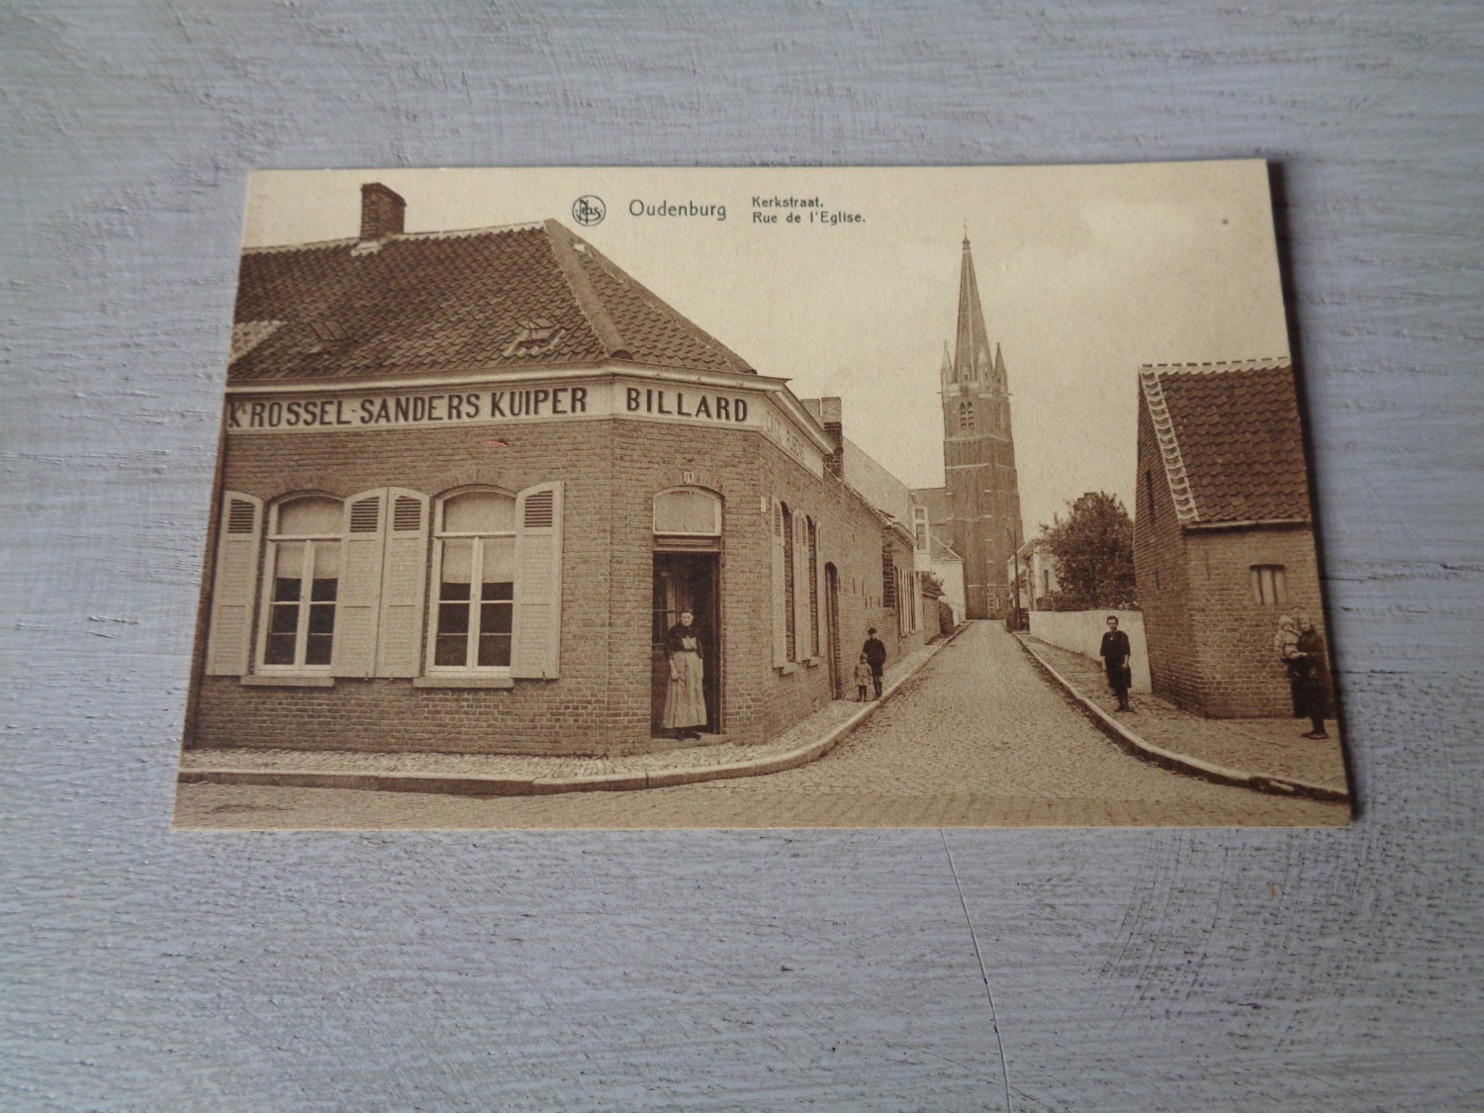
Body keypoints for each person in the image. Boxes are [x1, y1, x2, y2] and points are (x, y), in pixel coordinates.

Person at [661, 609, 707, 740]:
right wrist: (673, 669)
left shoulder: (696, 631)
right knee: (679, 695)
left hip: (693, 663)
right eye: (683, 617)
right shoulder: (673, 631)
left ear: (692, 618)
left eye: (688, 617)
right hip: (679, 662)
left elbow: (700, 651)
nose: (685, 619)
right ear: (680, 618)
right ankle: (679, 730)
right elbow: (669, 650)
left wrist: (701, 668)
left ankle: (690, 728)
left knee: (692, 694)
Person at [1288, 611, 1333, 740]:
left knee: (1318, 702)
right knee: (1311, 702)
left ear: (1310, 623)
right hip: (1307, 674)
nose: (1303, 625)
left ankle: (1321, 731)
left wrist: (1305, 655)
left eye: (1305, 622)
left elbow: (1319, 655)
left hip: (1316, 674)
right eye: (1301, 623)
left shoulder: (1317, 638)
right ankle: (1315, 729)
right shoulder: (1302, 638)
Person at [1099, 614, 1133, 711]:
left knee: (1123, 684)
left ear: (1117, 623)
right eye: (1110, 623)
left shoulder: (1122, 635)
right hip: (1110, 664)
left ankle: (1126, 705)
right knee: (1115, 685)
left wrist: (1125, 662)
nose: (1112, 625)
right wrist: (1103, 663)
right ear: (1107, 624)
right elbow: (1103, 651)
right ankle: (1120, 704)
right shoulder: (1106, 636)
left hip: (1120, 663)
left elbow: (1127, 650)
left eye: (1113, 623)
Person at [862, 628, 887, 699]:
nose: (872, 635)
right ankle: (877, 692)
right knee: (874, 678)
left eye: (874, 633)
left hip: (878, 663)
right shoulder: (867, 643)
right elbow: (864, 653)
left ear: (876, 634)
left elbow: (883, 652)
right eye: (871, 634)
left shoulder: (879, 643)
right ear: (869, 635)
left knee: (879, 678)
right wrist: (866, 662)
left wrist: (882, 660)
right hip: (871, 663)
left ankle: (880, 690)